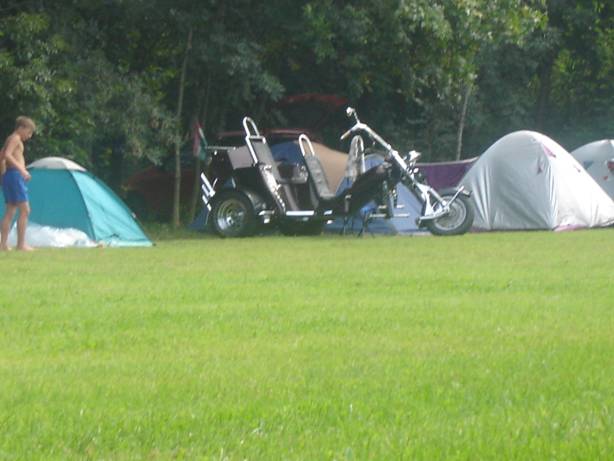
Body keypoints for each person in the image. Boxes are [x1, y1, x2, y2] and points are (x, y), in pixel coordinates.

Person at [0, 116, 35, 251]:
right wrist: (22, 170)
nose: (29, 136)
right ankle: (21, 244)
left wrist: (3, 175)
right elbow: (8, 155)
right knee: (25, 210)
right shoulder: (15, 138)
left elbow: (2, 156)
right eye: (29, 132)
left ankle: (3, 244)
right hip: (14, 176)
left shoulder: (9, 139)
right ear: (21, 128)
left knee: (10, 210)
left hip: (9, 175)